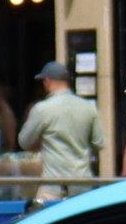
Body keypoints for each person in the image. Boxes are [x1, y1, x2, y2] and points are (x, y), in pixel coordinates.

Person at [17, 60, 105, 203]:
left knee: (45, 220)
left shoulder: (42, 109)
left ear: (47, 82)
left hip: (53, 186)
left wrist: (42, 142)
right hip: (83, 184)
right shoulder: (88, 107)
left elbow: (24, 142)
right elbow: (100, 143)